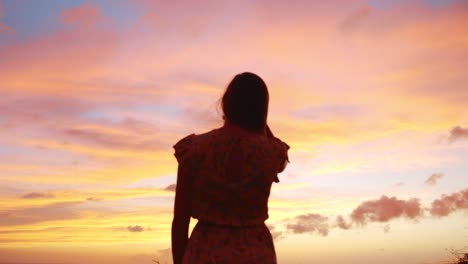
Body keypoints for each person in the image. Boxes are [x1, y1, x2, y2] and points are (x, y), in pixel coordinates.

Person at [171, 72, 290, 264]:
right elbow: (282, 161)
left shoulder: (194, 149)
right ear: (262, 110)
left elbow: (180, 221)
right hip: (256, 253)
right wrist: (260, 124)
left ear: (226, 103)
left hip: (205, 252)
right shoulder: (271, 151)